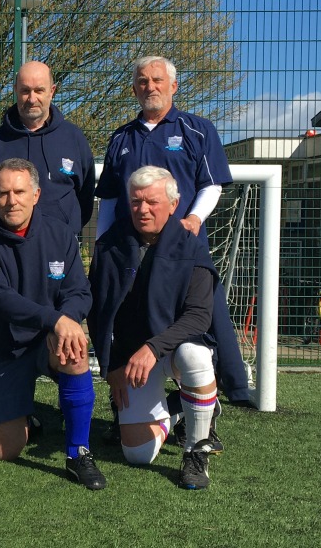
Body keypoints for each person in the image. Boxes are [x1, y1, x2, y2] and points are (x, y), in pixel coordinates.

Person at [95, 56, 249, 411]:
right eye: (143, 81)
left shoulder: (198, 129)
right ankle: (127, 397)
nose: (150, 87)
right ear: (134, 88)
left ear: (173, 86)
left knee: (201, 320)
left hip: (183, 249)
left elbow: (212, 185)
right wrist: (103, 243)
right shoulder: (121, 138)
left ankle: (221, 394)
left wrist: (193, 219)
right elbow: (110, 199)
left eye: (157, 80)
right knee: (124, 316)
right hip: (132, 252)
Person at [0, 158, 106, 490]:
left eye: (19, 192)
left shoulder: (59, 234)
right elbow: (0, 299)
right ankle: (24, 414)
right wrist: (56, 319)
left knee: (75, 348)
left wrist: (64, 322)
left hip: (48, 339)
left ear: (37, 194)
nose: (12, 200)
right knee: (5, 450)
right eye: (3, 193)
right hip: (7, 348)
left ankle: (78, 452)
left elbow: (79, 291)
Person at [88, 166, 219, 490]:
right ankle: (181, 407)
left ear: (174, 205)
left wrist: (153, 347)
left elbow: (199, 317)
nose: (143, 209)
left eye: (152, 202)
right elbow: (98, 313)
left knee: (195, 358)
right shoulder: (110, 245)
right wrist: (112, 366)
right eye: (135, 201)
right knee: (137, 454)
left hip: (175, 349)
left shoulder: (192, 247)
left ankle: (196, 452)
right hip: (133, 358)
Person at [0, 61, 95, 234]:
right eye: (25, 91)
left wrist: (68, 225)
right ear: (15, 90)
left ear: (52, 91)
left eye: (39, 90)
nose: (32, 99)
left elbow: (86, 195)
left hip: (60, 243)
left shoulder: (73, 138)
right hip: (7, 245)